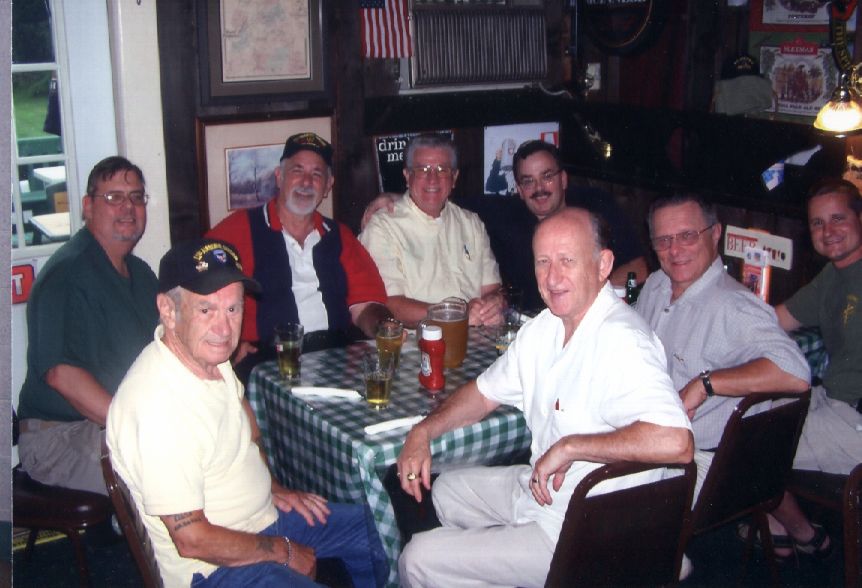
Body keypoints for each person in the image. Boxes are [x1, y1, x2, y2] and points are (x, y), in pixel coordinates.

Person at [395, 208, 693, 588]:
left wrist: (571, 447)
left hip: (592, 530)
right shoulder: (545, 327)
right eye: (543, 262)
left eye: (567, 260)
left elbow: (677, 442)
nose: (553, 278)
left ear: (603, 265)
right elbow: (482, 395)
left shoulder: (623, 341)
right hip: (547, 493)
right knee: (446, 491)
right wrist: (422, 431)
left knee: (417, 559)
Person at [106, 238, 387, 588]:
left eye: (233, 309)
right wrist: (283, 550)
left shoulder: (211, 358)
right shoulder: (157, 407)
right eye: (206, 310)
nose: (224, 329)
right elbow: (191, 539)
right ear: (168, 309)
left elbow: (249, 433)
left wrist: (273, 487)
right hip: (210, 569)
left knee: (375, 526)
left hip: (262, 519)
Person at [634, 193, 812, 566]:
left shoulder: (734, 306)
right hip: (652, 440)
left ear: (715, 234)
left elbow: (796, 373)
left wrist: (706, 384)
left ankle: (661, 567)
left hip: (703, 464)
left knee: (592, 505)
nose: (675, 250)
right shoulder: (656, 285)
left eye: (687, 235)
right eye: (663, 240)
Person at [362, 140, 647, 313]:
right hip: (531, 328)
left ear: (563, 179)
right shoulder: (502, 214)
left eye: (547, 176)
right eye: (527, 181)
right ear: (519, 190)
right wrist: (396, 196)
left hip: (596, 315)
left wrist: (585, 297)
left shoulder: (594, 204)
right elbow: (435, 195)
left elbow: (640, 268)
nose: (538, 188)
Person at [17, 156, 158, 495]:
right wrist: (137, 428)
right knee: (166, 465)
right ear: (88, 206)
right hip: (57, 437)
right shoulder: (67, 274)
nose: (128, 207)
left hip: (106, 424)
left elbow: (166, 350)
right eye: (114, 197)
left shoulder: (140, 274)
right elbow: (61, 375)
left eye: (136, 197)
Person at [207, 132, 394, 379]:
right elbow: (198, 294)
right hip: (268, 361)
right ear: (279, 177)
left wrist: (383, 326)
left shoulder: (339, 236)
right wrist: (230, 345)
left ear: (328, 186)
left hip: (336, 356)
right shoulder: (238, 230)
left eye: (317, 174)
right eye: (297, 171)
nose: (306, 182)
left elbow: (366, 305)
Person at [763, 179, 862, 557]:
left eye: (838, 218)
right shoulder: (834, 275)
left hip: (854, 421)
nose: (828, 231)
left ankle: (800, 531)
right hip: (831, 399)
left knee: (746, 449)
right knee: (744, 413)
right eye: (818, 223)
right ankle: (776, 518)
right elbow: (774, 320)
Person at [359, 133, 504, 327]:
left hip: (476, 336)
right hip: (415, 341)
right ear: (407, 176)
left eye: (442, 169)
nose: (432, 179)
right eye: (423, 169)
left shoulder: (471, 223)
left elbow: (492, 288)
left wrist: (494, 303)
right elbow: (389, 305)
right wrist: (455, 315)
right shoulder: (383, 226)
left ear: (454, 177)